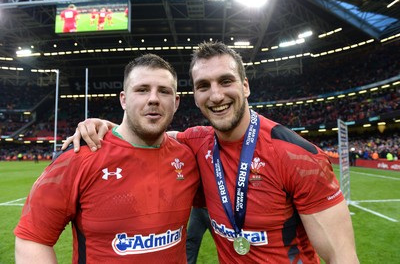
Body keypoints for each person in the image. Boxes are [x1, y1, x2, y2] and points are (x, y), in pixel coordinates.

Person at [63, 42, 359, 263]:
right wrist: (104, 125)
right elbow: (143, 134)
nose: (216, 95)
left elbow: (341, 256)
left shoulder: (298, 156)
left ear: (245, 86)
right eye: (204, 86)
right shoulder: (195, 143)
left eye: (226, 81)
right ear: (194, 96)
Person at [14, 54, 200, 263]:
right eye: (142, 89)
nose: (153, 98)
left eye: (164, 91)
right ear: (123, 99)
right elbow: (33, 238)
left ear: (176, 102)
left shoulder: (187, 158)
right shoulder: (78, 157)